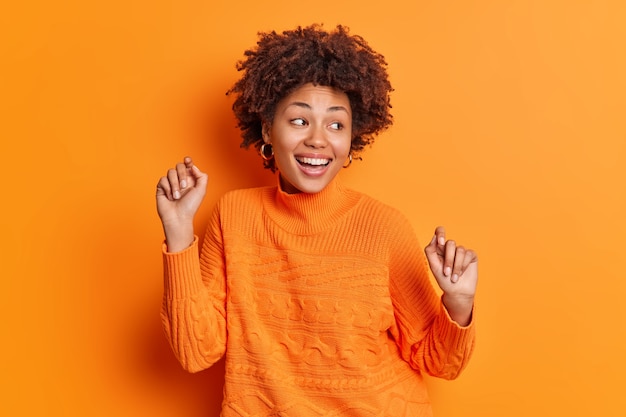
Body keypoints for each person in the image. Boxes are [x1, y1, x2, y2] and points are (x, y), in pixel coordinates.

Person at [156, 24, 478, 417]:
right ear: (266, 132)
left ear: (350, 143)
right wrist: (178, 232)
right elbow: (195, 351)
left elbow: (440, 362)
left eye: (336, 124)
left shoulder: (383, 227)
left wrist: (458, 303)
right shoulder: (234, 216)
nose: (318, 139)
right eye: (299, 120)